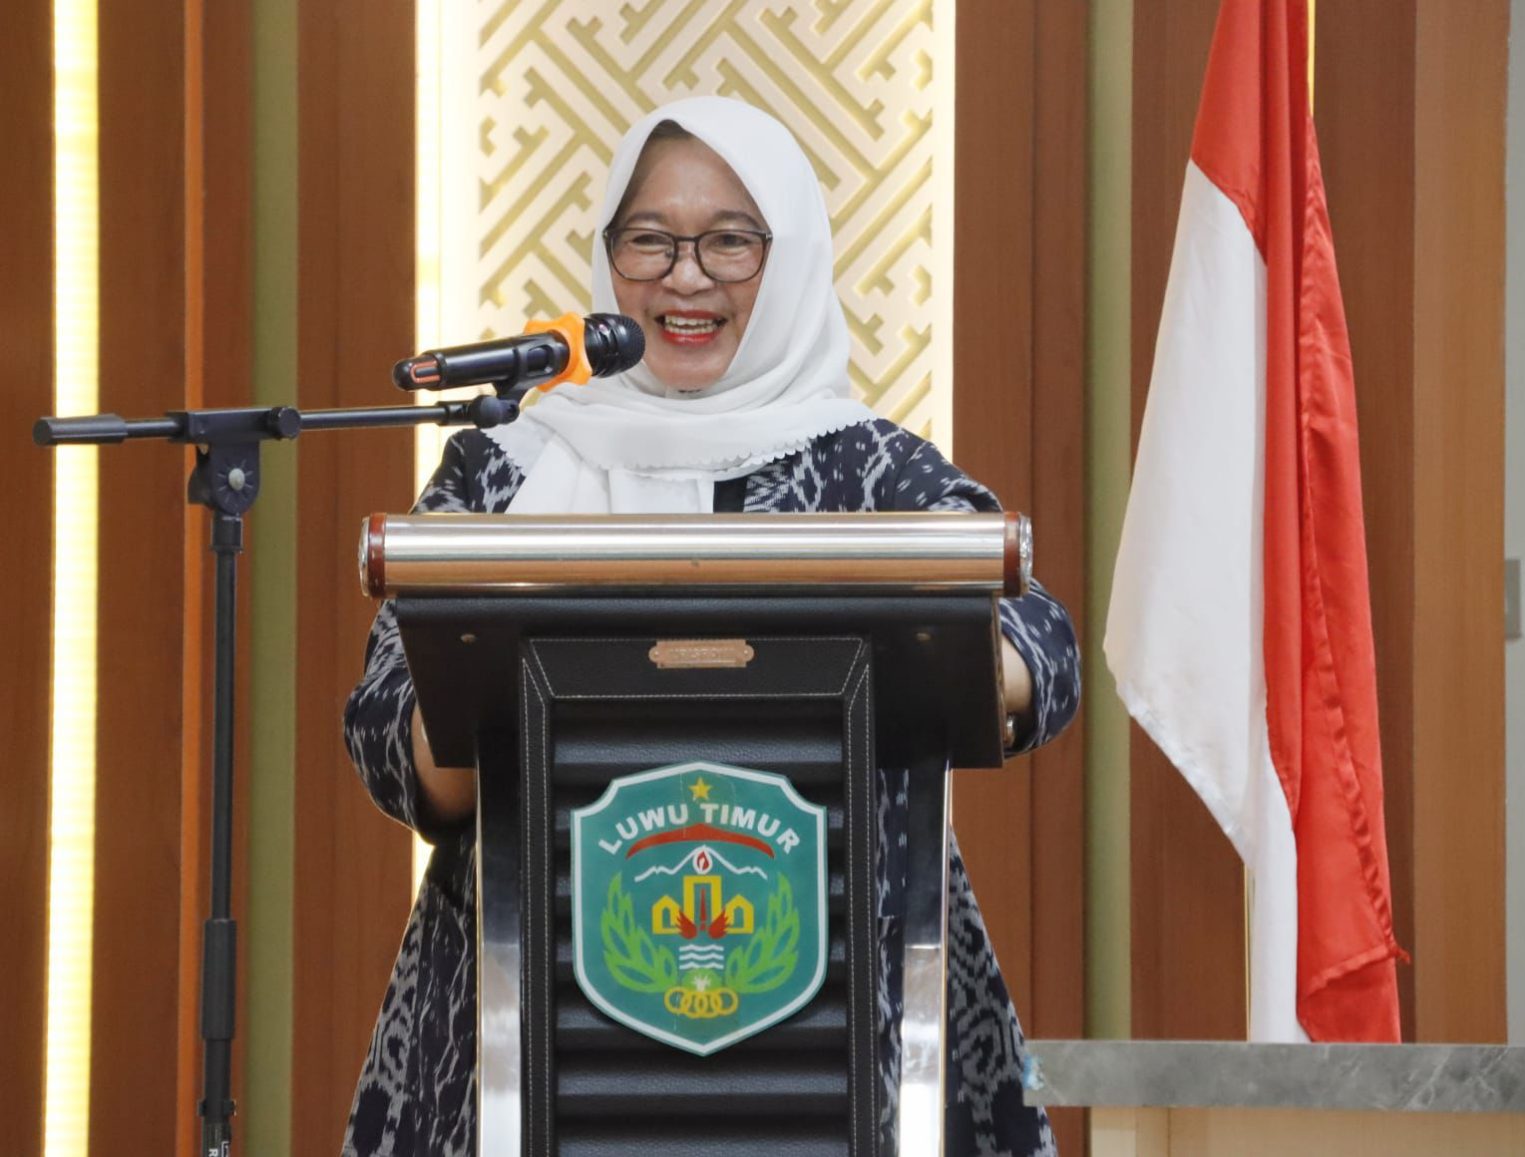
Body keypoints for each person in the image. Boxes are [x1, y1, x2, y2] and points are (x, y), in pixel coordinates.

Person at [342, 96, 1079, 1157]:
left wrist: (955, 663)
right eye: (649, 240)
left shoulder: (865, 470)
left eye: (730, 241)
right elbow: (384, 725)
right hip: (526, 1015)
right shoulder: (506, 471)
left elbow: (1044, 646)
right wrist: (463, 701)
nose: (685, 278)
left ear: (792, 256)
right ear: (607, 257)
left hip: (846, 1019)